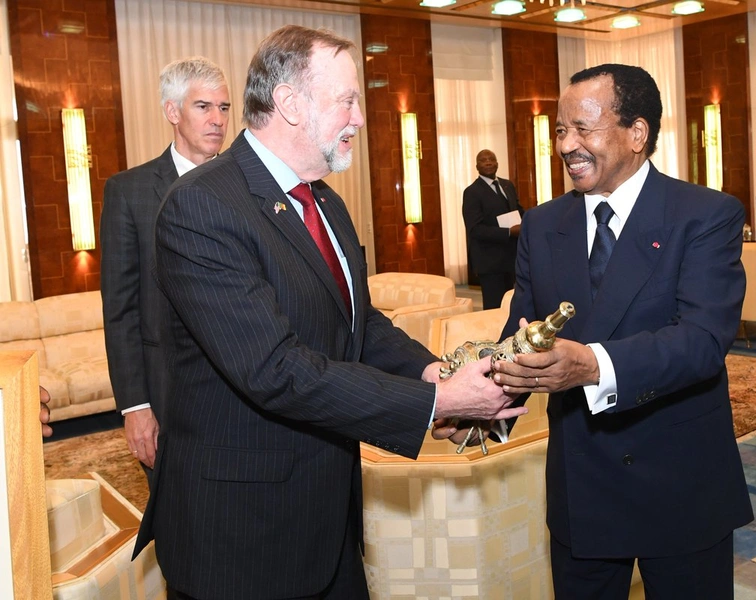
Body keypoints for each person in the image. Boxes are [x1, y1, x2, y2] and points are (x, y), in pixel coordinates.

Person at [132, 26, 524, 600]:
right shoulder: (202, 207)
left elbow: (358, 323)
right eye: (347, 100)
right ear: (289, 104)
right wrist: (438, 403)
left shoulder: (327, 203)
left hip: (328, 519)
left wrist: (432, 373)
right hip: (242, 536)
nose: (359, 118)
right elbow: (275, 371)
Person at [438, 64, 754, 598]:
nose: (566, 145)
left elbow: (701, 341)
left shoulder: (704, 214)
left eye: (584, 129)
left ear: (637, 133)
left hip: (680, 483)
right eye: (561, 130)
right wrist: (480, 408)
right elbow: (526, 334)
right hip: (581, 487)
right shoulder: (541, 225)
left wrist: (591, 365)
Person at [100, 57, 231, 472]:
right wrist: (135, 406)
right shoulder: (129, 191)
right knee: (177, 525)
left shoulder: (248, 186)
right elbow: (121, 311)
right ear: (172, 112)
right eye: (203, 107)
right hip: (167, 394)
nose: (217, 120)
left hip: (243, 394)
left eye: (224, 108)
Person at [462, 149, 524, 309]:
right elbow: (475, 229)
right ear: (477, 166)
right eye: (483, 160)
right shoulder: (472, 192)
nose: (488, 162)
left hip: (512, 257)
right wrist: (509, 232)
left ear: (497, 163)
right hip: (489, 261)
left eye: (492, 159)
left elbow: (518, 210)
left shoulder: (507, 185)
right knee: (494, 307)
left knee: (513, 305)